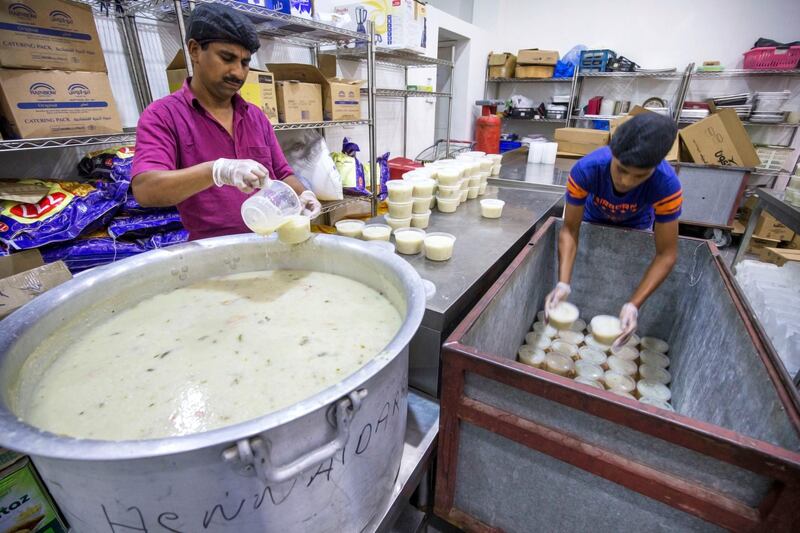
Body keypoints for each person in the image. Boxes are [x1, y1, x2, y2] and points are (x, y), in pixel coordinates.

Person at [130, 3, 321, 240]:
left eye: (244, 62)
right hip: (214, 252)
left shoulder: (255, 116)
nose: (238, 73)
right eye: (227, 58)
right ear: (195, 50)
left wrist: (303, 195)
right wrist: (218, 171)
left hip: (271, 242)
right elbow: (146, 189)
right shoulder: (163, 115)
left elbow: (282, 174)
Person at [544, 113, 682, 349]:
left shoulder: (666, 185)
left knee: (623, 279)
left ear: (654, 168)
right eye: (621, 169)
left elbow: (666, 254)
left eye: (639, 176)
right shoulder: (587, 169)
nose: (626, 181)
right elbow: (569, 230)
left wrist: (633, 305)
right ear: (612, 153)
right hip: (591, 218)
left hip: (637, 226)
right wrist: (563, 283)